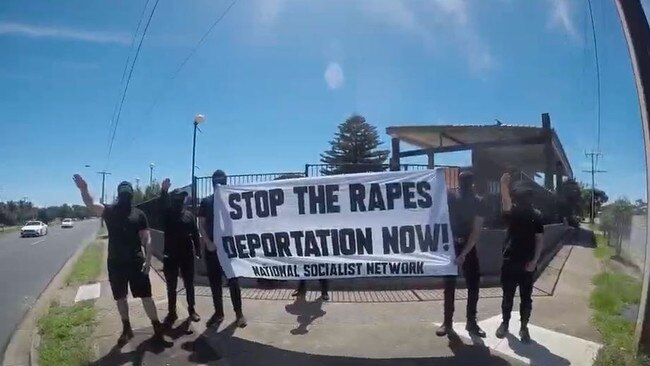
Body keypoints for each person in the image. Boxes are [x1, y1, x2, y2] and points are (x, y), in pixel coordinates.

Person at [73, 175, 167, 346]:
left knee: (146, 297)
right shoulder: (109, 211)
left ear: (130, 195)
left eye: (127, 194)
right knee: (121, 298)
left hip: (136, 263)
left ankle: (157, 327)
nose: (125, 197)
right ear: (119, 195)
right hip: (116, 264)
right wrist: (84, 189)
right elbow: (91, 204)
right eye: (123, 194)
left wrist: (147, 260)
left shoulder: (139, 214)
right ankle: (127, 328)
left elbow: (146, 238)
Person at [436, 171, 486, 338]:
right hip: (450, 245)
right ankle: (447, 323)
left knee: (473, 285)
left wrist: (464, 253)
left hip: (467, 246)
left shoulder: (478, 201)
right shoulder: (451, 197)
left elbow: (476, 230)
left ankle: (471, 322)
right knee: (449, 286)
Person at [495, 173, 544, 343]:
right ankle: (505, 324)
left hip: (527, 263)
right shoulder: (512, 212)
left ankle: (524, 327)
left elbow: (539, 240)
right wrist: (503, 185)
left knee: (526, 298)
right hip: (510, 261)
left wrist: (535, 261)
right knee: (507, 296)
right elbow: (506, 201)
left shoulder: (536, 215)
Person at [198, 170, 247, 328]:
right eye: (217, 182)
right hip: (212, 249)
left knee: (233, 282)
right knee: (215, 283)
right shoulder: (206, 202)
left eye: (222, 181)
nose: (220, 184)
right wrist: (207, 242)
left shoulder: (233, 201)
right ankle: (218, 313)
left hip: (229, 250)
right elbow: (201, 224)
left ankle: (239, 314)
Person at [159, 178, 202, 327]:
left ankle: (191, 310)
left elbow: (195, 233)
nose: (181, 200)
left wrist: (198, 250)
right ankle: (172, 312)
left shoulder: (189, 215)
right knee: (171, 285)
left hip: (187, 255)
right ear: (173, 199)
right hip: (170, 255)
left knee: (189, 284)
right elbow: (162, 203)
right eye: (178, 198)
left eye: (182, 198)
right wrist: (163, 191)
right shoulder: (167, 213)